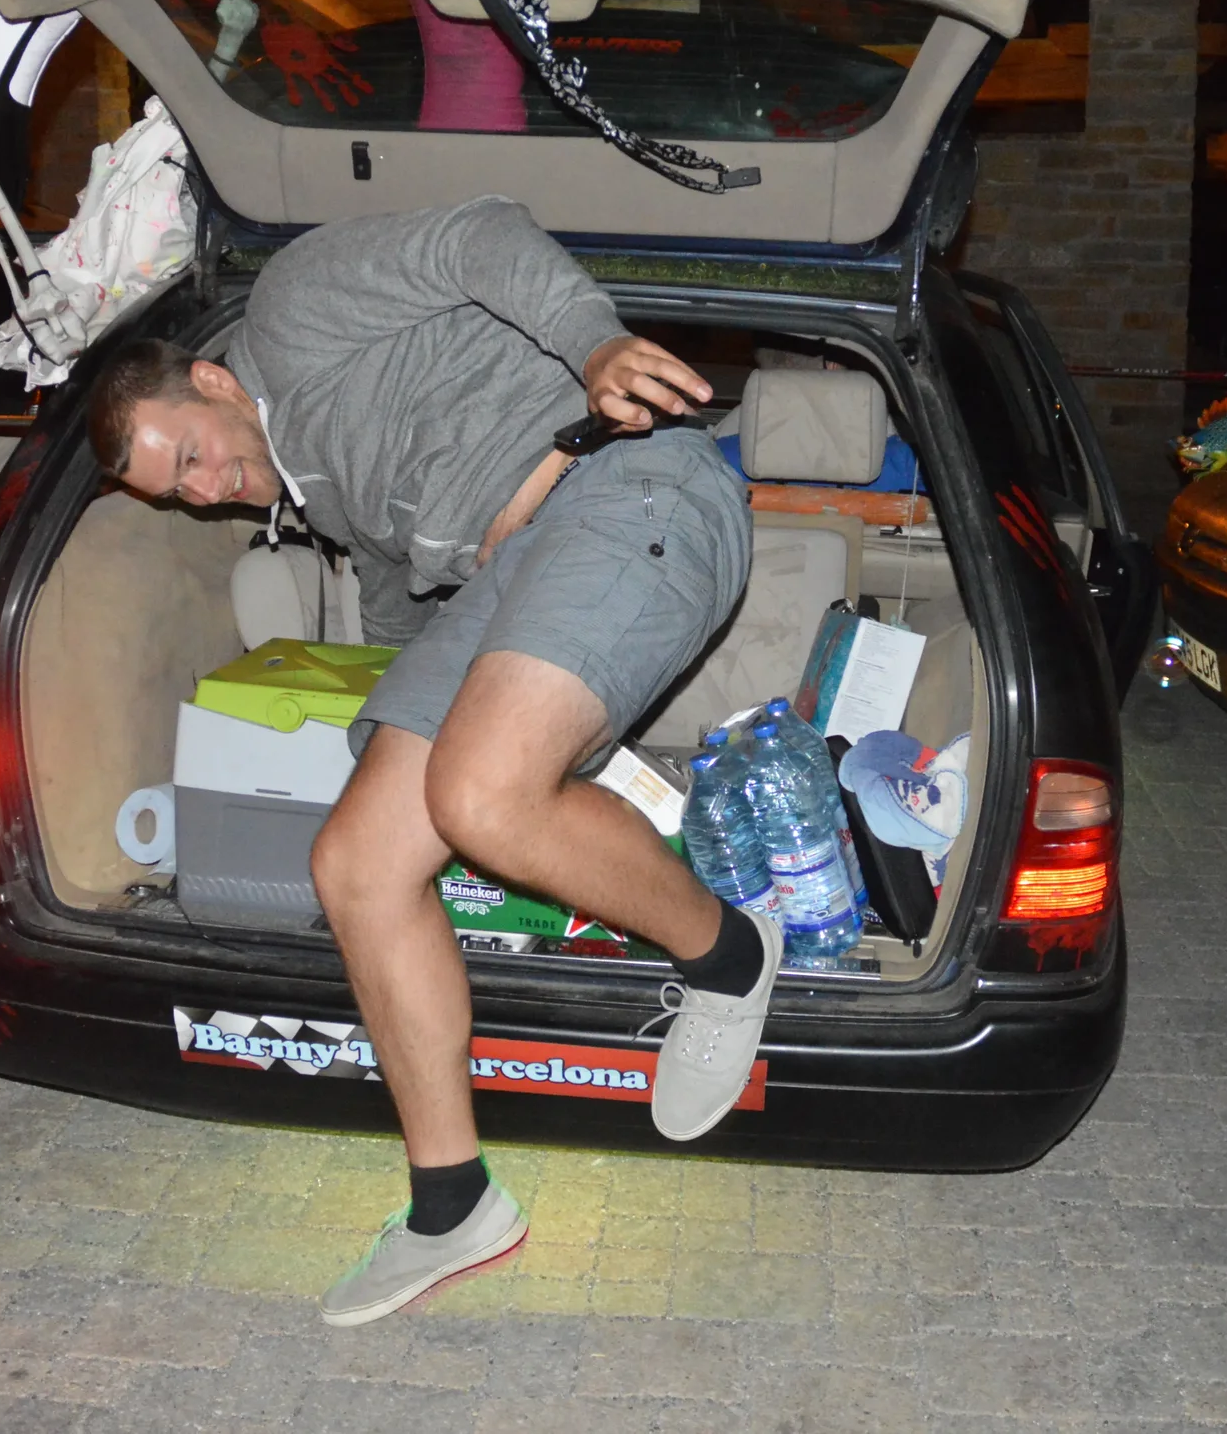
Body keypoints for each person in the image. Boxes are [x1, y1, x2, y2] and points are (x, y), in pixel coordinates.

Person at [85, 196, 774, 1324]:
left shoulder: (299, 311)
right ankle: (452, 1205)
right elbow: (413, 603)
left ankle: (731, 957)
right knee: (355, 861)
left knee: (481, 794)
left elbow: (479, 239)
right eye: (179, 493)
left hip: (627, 483)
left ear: (211, 385)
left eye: (195, 457)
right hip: (516, 574)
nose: (205, 495)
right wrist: (392, 722)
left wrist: (595, 344)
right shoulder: (322, 490)